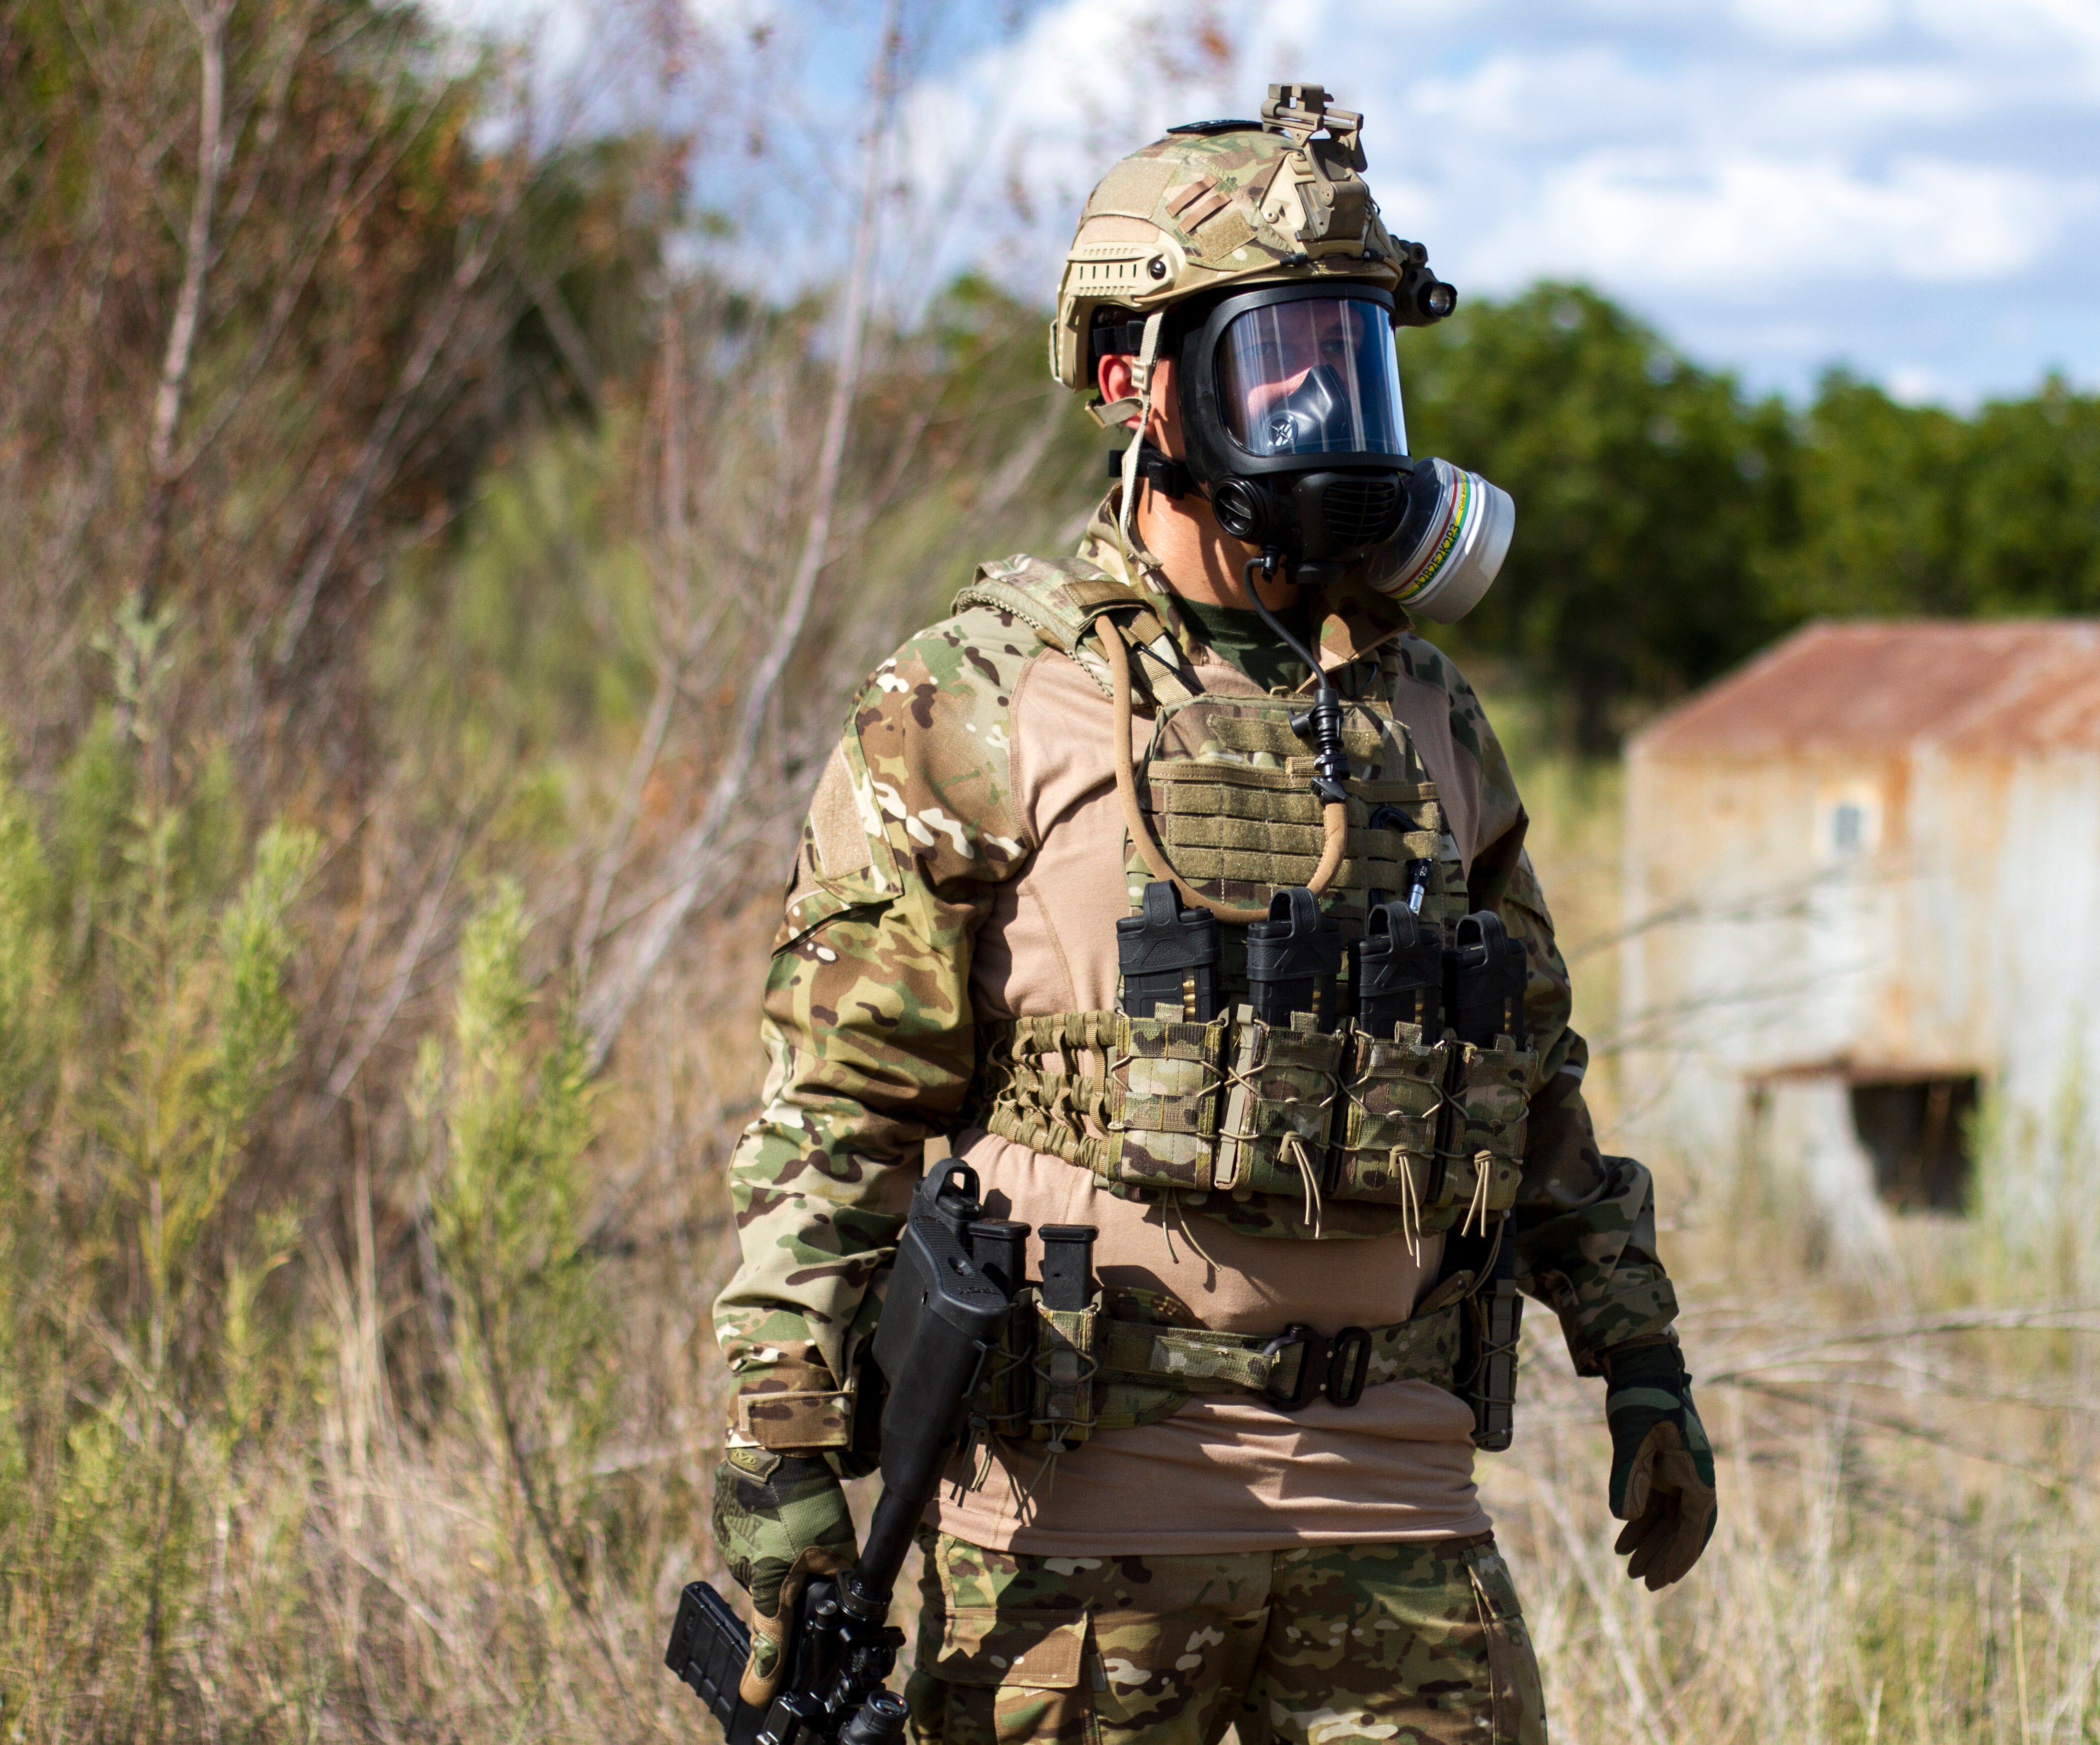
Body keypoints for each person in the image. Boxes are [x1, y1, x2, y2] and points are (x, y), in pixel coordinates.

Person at [705, 84, 1715, 1745]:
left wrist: (1641, 1360)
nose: (1328, 403)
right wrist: (781, 1460)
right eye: (1280, 355)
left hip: (1398, 1515)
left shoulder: (1425, 710)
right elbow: (838, 1115)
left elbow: (1530, 1077)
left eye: (1357, 356)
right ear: (1137, 380)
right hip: (1077, 1531)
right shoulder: (979, 696)